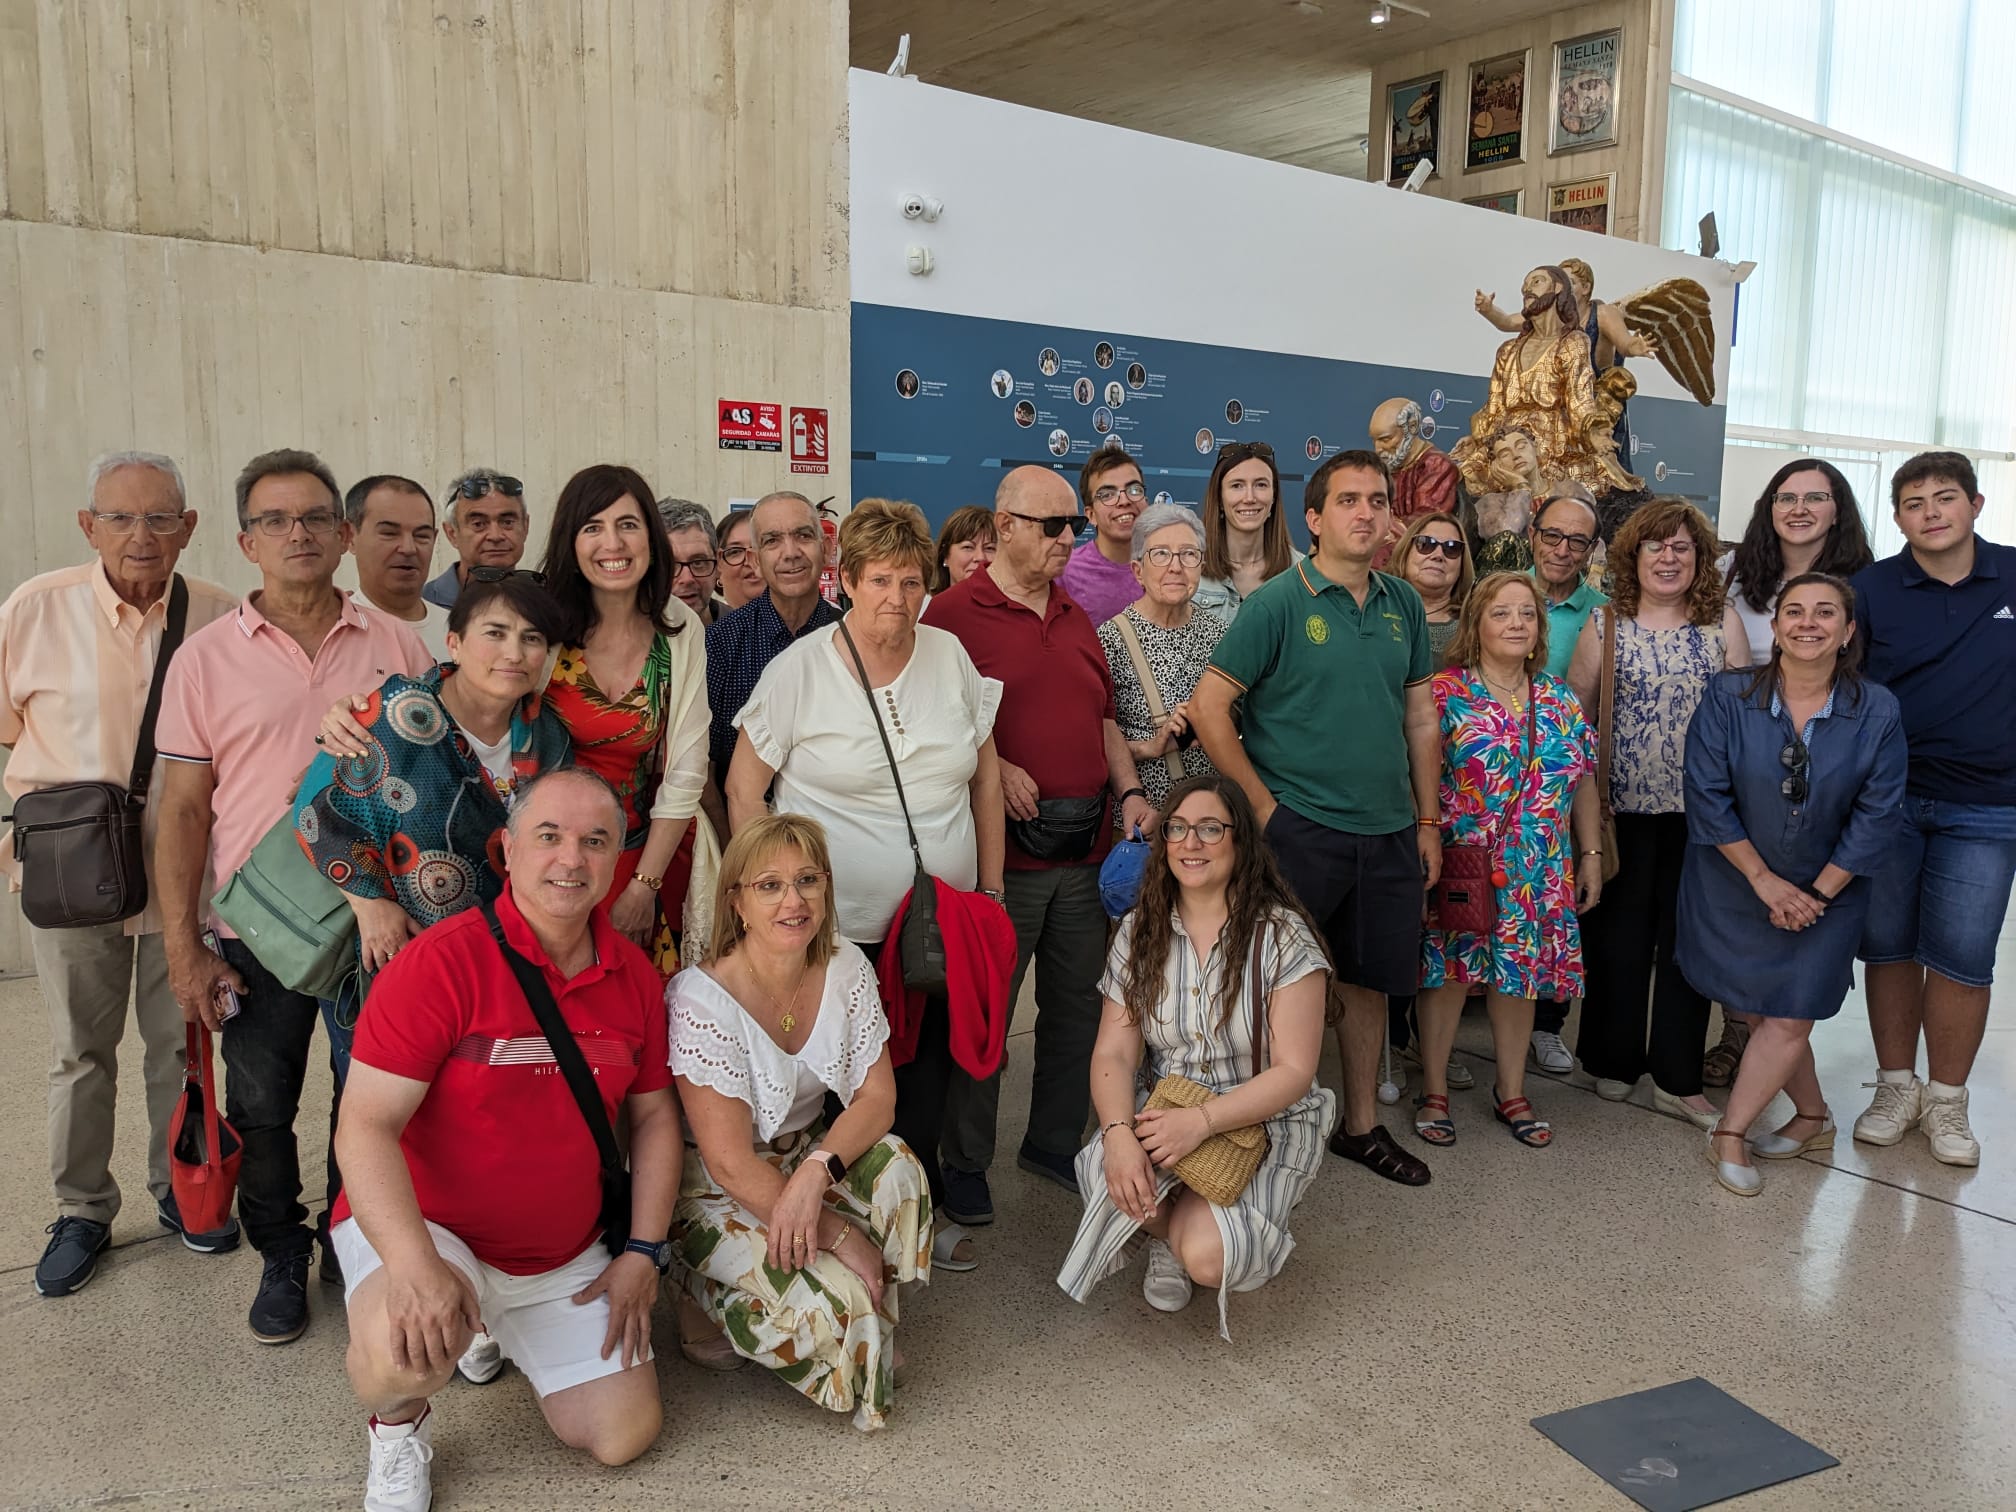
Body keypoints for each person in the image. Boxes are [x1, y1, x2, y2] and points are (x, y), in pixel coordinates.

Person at [332, 770, 678, 1508]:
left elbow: (652, 1121)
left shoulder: (637, 980)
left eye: (595, 842)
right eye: (548, 836)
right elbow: (364, 1125)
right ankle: (395, 1434)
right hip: (434, 1229)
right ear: (509, 850)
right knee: (403, 1353)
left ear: (618, 860)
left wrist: (644, 1252)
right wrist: (415, 1265)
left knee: (624, 1434)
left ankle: (495, 1325)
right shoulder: (441, 963)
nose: (571, 859)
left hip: (560, 1253)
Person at [154, 448, 433, 1344]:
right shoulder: (203, 661)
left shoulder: (398, 645)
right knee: (263, 1104)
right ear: (246, 541)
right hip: (255, 930)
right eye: (276, 520)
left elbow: (430, 778)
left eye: (315, 517)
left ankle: (355, 1247)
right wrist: (184, 948)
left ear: (345, 534)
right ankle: (280, 1251)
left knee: (375, 1104)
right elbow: (185, 812)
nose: (298, 533)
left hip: (374, 929)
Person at [725, 499, 1007, 1266]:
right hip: (838, 926)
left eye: (912, 581)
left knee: (930, 1074)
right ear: (844, 580)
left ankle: (917, 1210)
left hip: (940, 919)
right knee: (851, 1075)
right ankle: (837, 1213)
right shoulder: (800, 671)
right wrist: (772, 898)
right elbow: (745, 788)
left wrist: (990, 893)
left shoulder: (949, 656)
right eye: (879, 579)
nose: (897, 598)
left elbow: (984, 780)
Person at [3, 452, 240, 1298]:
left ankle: (176, 1190)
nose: (140, 536)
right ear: (87, 524)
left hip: (187, 877)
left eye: (159, 518)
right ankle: (82, 1210)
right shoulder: (35, 609)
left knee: (184, 1040)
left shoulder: (219, 614)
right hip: (71, 877)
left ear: (189, 525)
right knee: (80, 1052)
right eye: (120, 518)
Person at [1190, 449, 1442, 1188]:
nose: (1366, 514)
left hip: (1390, 831)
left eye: (1377, 501)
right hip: (1300, 832)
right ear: (1314, 517)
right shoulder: (1277, 603)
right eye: (1349, 501)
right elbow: (1209, 706)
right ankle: (1249, 1133)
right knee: (1268, 984)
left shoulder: (1401, 604)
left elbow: (1421, 719)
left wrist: (1427, 821)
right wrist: (1265, 810)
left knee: (1367, 983)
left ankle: (1360, 1126)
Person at [923, 466, 1155, 1221]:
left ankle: (1053, 1143)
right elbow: (930, 730)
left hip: (1087, 853)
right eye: (1052, 525)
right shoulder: (950, 616)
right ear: (1005, 525)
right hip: (1005, 861)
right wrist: (1000, 764)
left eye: (1072, 528)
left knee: (1078, 1011)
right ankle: (964, 1163)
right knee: (986, 1018)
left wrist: (1129, 794)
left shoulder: (1078, 615)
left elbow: (1105, 721)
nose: (1067, 540)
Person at [666, 814, 931, 1432]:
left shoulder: (842, 967)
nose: (794, 900)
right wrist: (841, 1235)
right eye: (770, 885)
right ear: (737, 901)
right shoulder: (701, 999)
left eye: (808, 880)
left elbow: (877, 1099)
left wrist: (815, 1173)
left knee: (899, 1168)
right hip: (716, 1187)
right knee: (828, 1307)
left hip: (800, 1157)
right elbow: (730, 1162)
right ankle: (696, 1287)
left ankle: (867, 1323)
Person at [1059, 776, 1336, 1337]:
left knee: (1210, 1259)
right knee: (1113, 1173)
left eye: (1211, 829)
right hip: (1166, 1105)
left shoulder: (1282, 936)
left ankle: (1192, 1237)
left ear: (1241, 843)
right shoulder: (1140, 930)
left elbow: (1294, 1071)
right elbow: (1113, 1048)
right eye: (1179, 829)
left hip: (1261, 1118)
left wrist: (1201, 1123)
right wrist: (1115, 1134)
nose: (1192, 843)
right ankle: (1176, 1227)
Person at [1678, 575, 1906, 1195]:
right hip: (1733, 879)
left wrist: (1818, 895)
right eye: (1795, 612)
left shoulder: (1877, 708)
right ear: (1775, 629)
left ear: (1848, 631)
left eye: (1826, 613)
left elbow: (1879, 813)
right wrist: (1765, 883)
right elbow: (1705, 793)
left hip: (1828, 890)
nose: (1809, 623)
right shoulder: (1727, 696)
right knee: (1759, 1010)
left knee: (1791, 1014)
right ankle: (1812, 1116)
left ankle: (1730, 1132)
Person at [1850, 452, 2016, 1167]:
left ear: (1975, 504)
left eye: (1945, 498)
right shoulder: (1870, 589)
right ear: (1897, 519)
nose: (1931, 513)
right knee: (1887, 948)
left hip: (1988, 804)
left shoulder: (2014, 574)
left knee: (1962, 960)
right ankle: (1895, 1086)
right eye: (1914, 503)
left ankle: (1947, 1101)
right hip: (1887, 802)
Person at [1568, 498, 1751, 1127]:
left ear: (1700, 560)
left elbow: (1745, 727)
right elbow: (1576, 724)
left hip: (1703, 819)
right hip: (1620, 813)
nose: (1668, 558)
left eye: (1681, 547)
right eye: (1655, 546)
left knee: (1686, 946)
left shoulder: (1720, 626)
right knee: (1616, 942)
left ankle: (1677, 1073)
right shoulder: (1604, 625)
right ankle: (1610, 1060)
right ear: (1633, 556)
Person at [1412, 574, 1602, 1149]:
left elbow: (1583, 781)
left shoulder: (1561, 698)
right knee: (1448, 974)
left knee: (1519, 978)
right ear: (1476, 624)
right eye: (1502, 613)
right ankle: (1435, 1090)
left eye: (1527, 614)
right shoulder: (1443, 695)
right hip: (1464, 864)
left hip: (1540, 868)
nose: (1516, 623)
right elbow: (1416, 778)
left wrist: (1589, 854)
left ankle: (1511, 1089)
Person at [539, 466, 707, 970]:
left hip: (634, 856)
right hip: (538, 859)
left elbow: (687, 770)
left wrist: (643, 886)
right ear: (571, 541)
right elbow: (467, 701)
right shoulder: (541, 623)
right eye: (592, 526)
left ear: (651, 537)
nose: (612, 542)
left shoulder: (678, 629)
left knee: (628, 1020)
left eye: (628, 524)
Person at [1525, 482, 1608, 1076]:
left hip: (1562, 785)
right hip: (1494, 783)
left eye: (1576, 541)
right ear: (1533, 534)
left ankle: (1547, 1027)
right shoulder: (1497, 594)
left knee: (1559, 906)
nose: (1562, 549)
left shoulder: (1602, 614)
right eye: (1552, 535)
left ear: (1592, 549)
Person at [705, 491, 841, 785]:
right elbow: (704, 768)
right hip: (747, 822)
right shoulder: (720, 643)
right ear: (754, 560)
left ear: (827, 549)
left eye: (803, 536)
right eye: (772, 541)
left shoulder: (852, 638)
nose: (790, 552)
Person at [1096, 504, 1225, 813]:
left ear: (1201, 565)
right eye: (1161, 554)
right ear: (1138, 571)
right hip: (1138, 821)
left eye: (1188, 554)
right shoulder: (1108, 640)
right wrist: (1150, 747)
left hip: (1209, 817)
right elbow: (1088, 747)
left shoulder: (1222, 636)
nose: (1176, 567)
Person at [1720, 459, 1874, 666]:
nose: (1799, 509)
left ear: (1838, 512)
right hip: (1732, 696)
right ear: (1771, 509)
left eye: (1815, 498)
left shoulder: (1866, 583)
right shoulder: (1729, 569)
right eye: (1787, 499)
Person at [345, 474, 453, 660]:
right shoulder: (332, 634)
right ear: (349, 536)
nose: (408, 548)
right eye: (389, 533)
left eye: (421, 536)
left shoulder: (460, 630)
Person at [1195, 440, 1298, 622]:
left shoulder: (1299, 571)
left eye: (1261, 485)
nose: (1250, 498)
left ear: (1274, 497)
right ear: (1219, 498)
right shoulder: (1189, 567)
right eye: (1237, 486)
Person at [1368, 398, 1462, 568]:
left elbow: (1425, 520)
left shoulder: (1436, 465)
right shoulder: (1386, 467)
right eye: (1374, 440)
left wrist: (1385, 526)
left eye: (1386, 439)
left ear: (1411, 427)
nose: (1378, 448)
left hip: (1420, 549)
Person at [1059, 450, 1148, 626]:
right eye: (1107, 494)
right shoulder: (1065, 573)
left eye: (1134, 489)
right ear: (1091, 515)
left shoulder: (1168, 565)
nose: (1124, 501)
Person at [421, 468, 529, 610]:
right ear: (452, 533)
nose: (495, 536)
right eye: (479, 524)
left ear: (526, 526)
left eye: (507, 522)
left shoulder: (546, 602)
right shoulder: (422, 604)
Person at [1393, 511, 1476, 664]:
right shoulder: (1374, 608)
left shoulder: (1475, 625)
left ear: (1462, 564)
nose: (1438, 555)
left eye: (1452, 548)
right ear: (1406, 552)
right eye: (1426, 544)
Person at [658, 497, 726, 628]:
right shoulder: (622, 638)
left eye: (699, 562)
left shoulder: (749, 637)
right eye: (670, 566)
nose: (687, 579)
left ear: (718, 564)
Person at [934, 505, 998, 591]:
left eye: (989, 548)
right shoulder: (928, 604)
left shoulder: (1017, 603)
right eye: (968, 547)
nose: (980, 557)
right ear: (945, 554)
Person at [716, 509, 764, 611]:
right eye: (735, 552)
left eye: (757, 547)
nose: (749, 561)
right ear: (718, 565)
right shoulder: (701, 625)